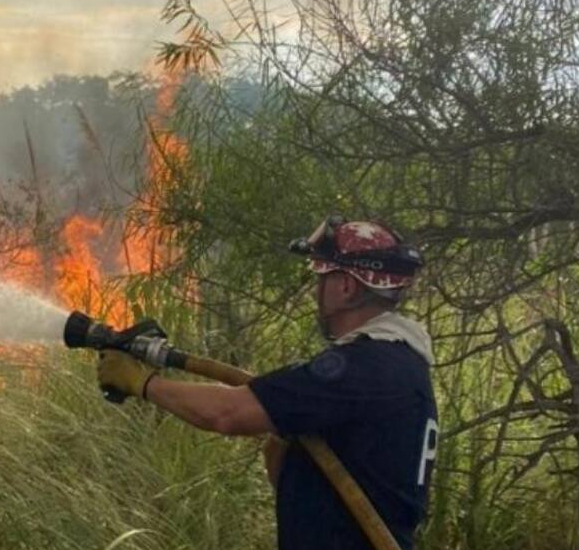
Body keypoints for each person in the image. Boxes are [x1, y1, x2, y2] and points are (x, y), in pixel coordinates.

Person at [98, 217, 438, 550]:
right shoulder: (397, 364)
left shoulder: (363, 367)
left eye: (321, 277)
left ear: (346, 287)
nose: (315, 292)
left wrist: (141, 382)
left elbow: (227, 413)